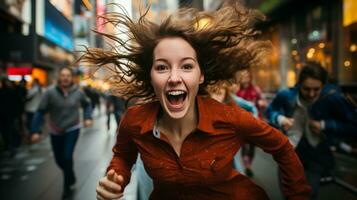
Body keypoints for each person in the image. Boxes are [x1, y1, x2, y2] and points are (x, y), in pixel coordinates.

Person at [83, 4, 311, 200]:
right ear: (150, 76)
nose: (174, 78)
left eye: (187, 66)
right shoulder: (134, 121)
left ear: (200, 76)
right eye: (162, 67)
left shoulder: (229, 117)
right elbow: (123, 156)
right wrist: (116, 178)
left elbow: (282, 147)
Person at [265, 62, 357, 200]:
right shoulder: (286, 95)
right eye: (306, 89)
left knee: (308, 194)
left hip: (316, 154)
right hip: (289, 150)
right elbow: (270, 111)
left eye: (316, 89)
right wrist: (280, 119)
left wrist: (325, 125)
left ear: (323, 86)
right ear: (299, 85)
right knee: (288, 193)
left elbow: (353, 126)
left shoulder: (332, 98)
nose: (311, 94)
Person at [30, 67, 93, 199]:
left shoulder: (78, 92)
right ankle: (70, 176)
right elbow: (40, 111)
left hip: (73, 128)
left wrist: (87, 117)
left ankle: (66, 188)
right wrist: (35, 130)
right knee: (59, 160)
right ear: (59, 77)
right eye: (63, 75)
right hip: (55, 130)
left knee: (67, 157)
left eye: (68, 76)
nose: (65, 78)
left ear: (71, 78)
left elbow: (87, 104)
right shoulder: (49, 92)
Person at [236, 70, 268, 177]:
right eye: (243, 77)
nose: (245, 79)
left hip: (255, 122)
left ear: (250, 78)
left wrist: (261, 103)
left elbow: (264, 101)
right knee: (245, 144)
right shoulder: (237, 91)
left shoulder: (255, 90)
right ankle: (246, 166)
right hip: (242, 123)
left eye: (247, 77)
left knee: (252, 145)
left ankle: (248, 164)